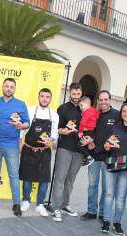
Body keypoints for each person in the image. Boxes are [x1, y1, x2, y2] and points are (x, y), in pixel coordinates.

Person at [0, 78, 29, 217]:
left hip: (12, 146)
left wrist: (21, 126)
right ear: (3, 87)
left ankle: (16, 203)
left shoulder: (20, 104)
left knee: (14, 175)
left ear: (14, 89)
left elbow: (27, 123)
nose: (9, 88)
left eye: (11, 87)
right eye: (7, 86)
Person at [101, 102, 127, 234]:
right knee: (108, 194)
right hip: (111, 164)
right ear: (121, 113)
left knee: (120, 197)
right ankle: (106, 221)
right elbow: (106, 145)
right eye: (124, 111)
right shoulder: (114, 127)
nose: (126, 114)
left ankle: (117, 222)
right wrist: (107, 146)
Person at [80, 90, 119, 221]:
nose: (103, 102)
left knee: (107, 189)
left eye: (105, 99)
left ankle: (103, 213)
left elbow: (120, 134)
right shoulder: (95, 114)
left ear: (110, 100)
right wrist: (89, 142)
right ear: (98, 101)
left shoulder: (117, 115)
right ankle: (91, 211)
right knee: (92, 185)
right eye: (101, 100)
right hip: (94, 156)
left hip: (109, 157)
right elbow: (89, 130)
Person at [19, 88, 58, 217]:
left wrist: (50, 141)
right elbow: (23, 128)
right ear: (38, 97)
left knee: (44, 179)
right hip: (29, 149)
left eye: (47, 97)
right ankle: (26, 201)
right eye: (42, 96)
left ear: (50, 99)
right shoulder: (30, 110)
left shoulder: (54, 115)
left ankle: (40, 204)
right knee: (27, 177)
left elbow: (54, 134)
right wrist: (20, 142)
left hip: (44, 151)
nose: (44, 99)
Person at [50, 83, 83, 222]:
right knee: (60, 178)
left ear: (82, 93)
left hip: (80, 150)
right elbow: (56, 129)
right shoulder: (62, 109)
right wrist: (64, 131)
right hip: (64, 148)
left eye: (78, 94)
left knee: (71, 179)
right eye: (73, 94)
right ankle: (56, 206)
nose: (76, 97)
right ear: (70, 93)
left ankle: (65, 204)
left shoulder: (85, 109)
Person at [76, 96, 100, 166]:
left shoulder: (87, 113)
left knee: (79, 145)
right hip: (91, 132)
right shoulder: (94, 110)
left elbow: (82, 122)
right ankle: (85, 158)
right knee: (84, 144)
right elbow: (98, 115)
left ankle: (89, 158)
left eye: (81, 105)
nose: (80, 108)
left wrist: (80, 131)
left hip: (87, 132)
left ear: (87, 104)